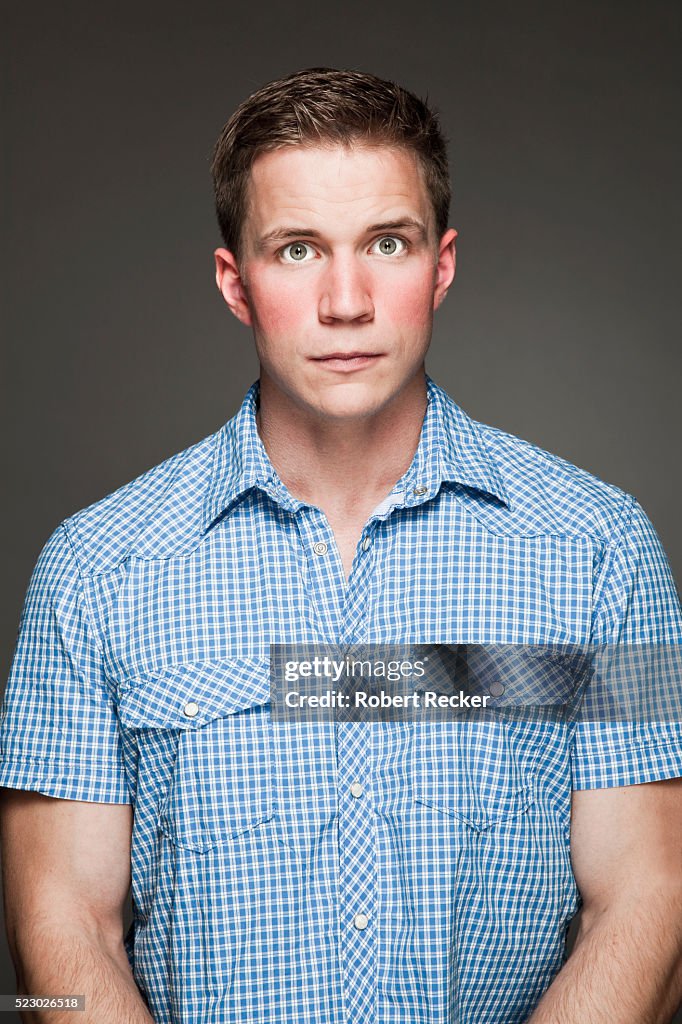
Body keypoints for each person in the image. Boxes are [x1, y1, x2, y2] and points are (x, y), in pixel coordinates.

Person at [0, 67, 680, 1024]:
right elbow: (58, 928)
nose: (347, 300)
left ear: (440, 265)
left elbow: (649, 901)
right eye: (297, 251)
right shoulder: (94, 571)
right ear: (236, 282)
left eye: (387, 243)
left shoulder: (602, 551)